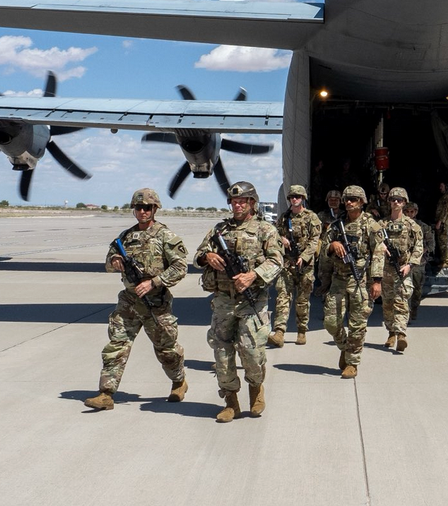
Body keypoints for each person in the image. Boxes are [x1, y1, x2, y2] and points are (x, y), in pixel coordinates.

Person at [83, 188, 188, 411]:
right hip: (129, 301)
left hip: (155, 303)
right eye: (138, 208)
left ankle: (179, 381)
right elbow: (109, 260)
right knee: (117, 345)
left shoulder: (166, 236)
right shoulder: (126, 237)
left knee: (166, 350)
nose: (142, 211)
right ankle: (106, 393)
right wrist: (115, 260)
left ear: (155, 209)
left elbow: (180, 267)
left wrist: (154, 282)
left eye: (147, 208)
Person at [194, 181, 283, 423]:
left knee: (252, 352)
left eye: (243, 200)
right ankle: (230, 401)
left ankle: (256, 389)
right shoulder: (220, 230)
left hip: (251, 301)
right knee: (222, 352)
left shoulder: (266, 230)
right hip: (223, 300)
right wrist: (208, 256)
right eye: (234, 201)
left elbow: (277, 261)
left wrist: (253, 275)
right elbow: (198, 255)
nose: (238, 205)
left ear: (252, 202)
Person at [321, 185, 384, 379]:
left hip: (361, 281)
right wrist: (333, 245)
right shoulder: (336, 225)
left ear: (362, 202)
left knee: (358, 324)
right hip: (339, 280)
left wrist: (377, 281)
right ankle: (345, 347)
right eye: (347, 199)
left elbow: (379, 253)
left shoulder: (371, 225)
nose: (349, 202)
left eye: (354, 199)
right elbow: (323, 250)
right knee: (331, 322)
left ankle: (352, 362)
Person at [272, 185, 322, 346]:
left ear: (303, 199)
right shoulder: (284, 218)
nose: (295, 199)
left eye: (298, 197)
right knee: (282, 298)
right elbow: (275, 235)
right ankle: (279, 331)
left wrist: (304, 256)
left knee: (302, 300)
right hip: (287, 264)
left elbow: (315, 240)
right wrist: (282, 240)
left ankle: (301, 330)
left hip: (304, 265)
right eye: (292, 196)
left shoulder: (311, 218)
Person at [379, 187, 423, 352]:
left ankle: (401, 334)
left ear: (404, 202)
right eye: (393, 199)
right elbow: (371, 241)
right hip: (385, 270)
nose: (396, 202)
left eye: (399, 200)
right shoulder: (382, 224)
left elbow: (418, 247)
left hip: (403, 269)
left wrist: (410, 265)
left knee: (402, 302)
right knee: (387, 304)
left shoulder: (412, 225)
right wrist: (380, 245)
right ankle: (391, 332)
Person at [405, 201, 433, 322]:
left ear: (416, 212)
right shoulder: (400, 225)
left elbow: (431, 245)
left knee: (416, 290)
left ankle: (413, 311)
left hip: (418, 263)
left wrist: (420, 251)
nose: (409, 214)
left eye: (412, 211)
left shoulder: (424, 227)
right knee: (404, 290)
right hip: (404, 263)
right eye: (407, 211)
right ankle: (404, 314)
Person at [313, 189, 343, 298]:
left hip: (339, 250)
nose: (333, 202)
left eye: (336, 200)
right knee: (324, 278)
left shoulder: (344, 215)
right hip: (325, 251)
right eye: (331, 200)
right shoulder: (321, 215)